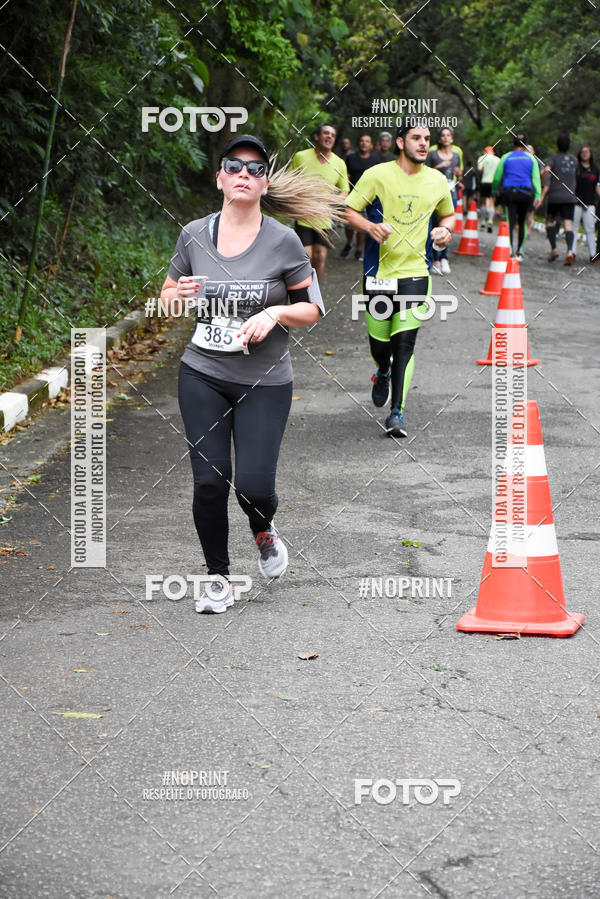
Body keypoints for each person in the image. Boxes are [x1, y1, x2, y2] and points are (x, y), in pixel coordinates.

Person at [160, 134, 339, 614]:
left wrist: (274, 313)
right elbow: (168, 295)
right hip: (202, 373)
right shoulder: (194, 234)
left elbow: (312, 308)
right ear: (219, 177)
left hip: (265, 381)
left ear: (264, 183)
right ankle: (218, 579)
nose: (244, 174)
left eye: (255, 168)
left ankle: (263, 528)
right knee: (209, 482)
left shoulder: (283, 240)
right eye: (234, 166)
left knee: (254, 489)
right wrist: (179, 295)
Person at [345, 121, 455, 438]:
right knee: (380, 345)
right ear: (399, 142)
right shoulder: (377, 175)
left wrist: (445, 230)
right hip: (378, 274)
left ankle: (397, 413)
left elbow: (448, 214)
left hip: (416, 273)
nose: (423, 143)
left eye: (427, 139)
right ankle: (382, 370)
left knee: (403, 343)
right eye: (416, 138)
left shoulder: (437, 180)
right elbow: (349, 210)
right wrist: (370, 227)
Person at [290, 123, 349, 282]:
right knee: (305, 255)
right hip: (304, 214)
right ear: (317, 136)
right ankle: (300, 287)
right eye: (326, 133)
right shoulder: (301, 156)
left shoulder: (339, 163)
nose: (329, 136)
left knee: (320, 255)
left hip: (325, 217)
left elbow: (344, 190)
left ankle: (315, 289)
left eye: (333, 135)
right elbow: (289, 180)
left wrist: (333, 203)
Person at [491, 132, 541, 259]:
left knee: (510, 221)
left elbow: (496, 178)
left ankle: (510, 250)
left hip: (510, 194)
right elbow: (536, 179)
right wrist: (538, 195)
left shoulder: (505, 157)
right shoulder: (531, 159)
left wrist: (494, 190)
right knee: (523, 221)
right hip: (526, 194)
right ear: (526, 145)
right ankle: (520, 251)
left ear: (512, 144)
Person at [425, 126, 461, 274]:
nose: (446, 137)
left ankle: (444, 257)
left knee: (446, 227)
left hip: (451, 194)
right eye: (443, 135)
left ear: (452, 138)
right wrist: (440, 166)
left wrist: (459, 173)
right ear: (440, 138)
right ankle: (435, 259)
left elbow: (458, 174)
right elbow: (425, 172)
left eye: (448, 135)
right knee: (435, 227)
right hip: (434, 195)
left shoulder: (456, 156)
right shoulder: (432, 154)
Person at [540, 134, 578, 265]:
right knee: (568, 224)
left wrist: (543, 181)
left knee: (550, 221)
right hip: (569, 197)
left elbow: (546, 171)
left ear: (557, 145)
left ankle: (554, 249)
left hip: (554, 197)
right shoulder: (574, 160)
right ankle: (569, 251)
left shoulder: (553, 158)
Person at [341, 134, 376, 261]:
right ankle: (349, 243)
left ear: (371, 145)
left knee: (362, 223)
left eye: (367, 141)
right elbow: (346, 175)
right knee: (348, 224)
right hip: (351, 196)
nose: (364, 143)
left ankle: (359, 249)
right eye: (362, 141)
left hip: (367, 198)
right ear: (359, 143)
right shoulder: (350, 158)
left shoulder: (375, 160)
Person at [573, 145, 600, 263]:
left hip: (590, 203)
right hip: (576, 202)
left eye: (586, 152)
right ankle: (572, 252)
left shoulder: (595, 168)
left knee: (590, 229)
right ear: (580, 154)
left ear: (590, 154)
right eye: (582, 152)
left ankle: (592, 255)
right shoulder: (576, 167)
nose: (584, 154)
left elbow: (597, 185)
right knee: (574, 228)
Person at [477, 146, 500, 231]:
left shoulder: (482, 158)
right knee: (492, 202)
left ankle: (483, 221)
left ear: (485, 152)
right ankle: (490, 220)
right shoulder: (498, 159)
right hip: (494, 183)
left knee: (483, 202)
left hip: (484, 182)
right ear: (493, 152)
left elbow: (479, 169)